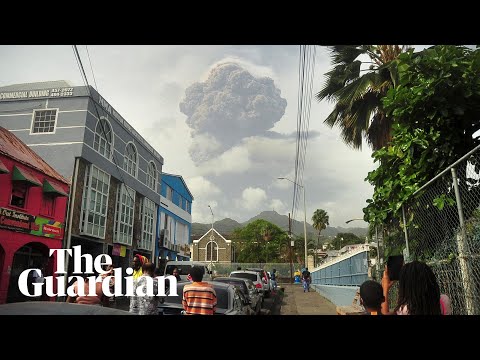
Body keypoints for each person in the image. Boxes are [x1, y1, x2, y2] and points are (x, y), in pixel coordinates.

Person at [381, 260, 450, 315]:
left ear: (407, 287)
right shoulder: (444, 300)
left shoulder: (406, 310)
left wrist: (385, 288)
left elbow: (385, 313)